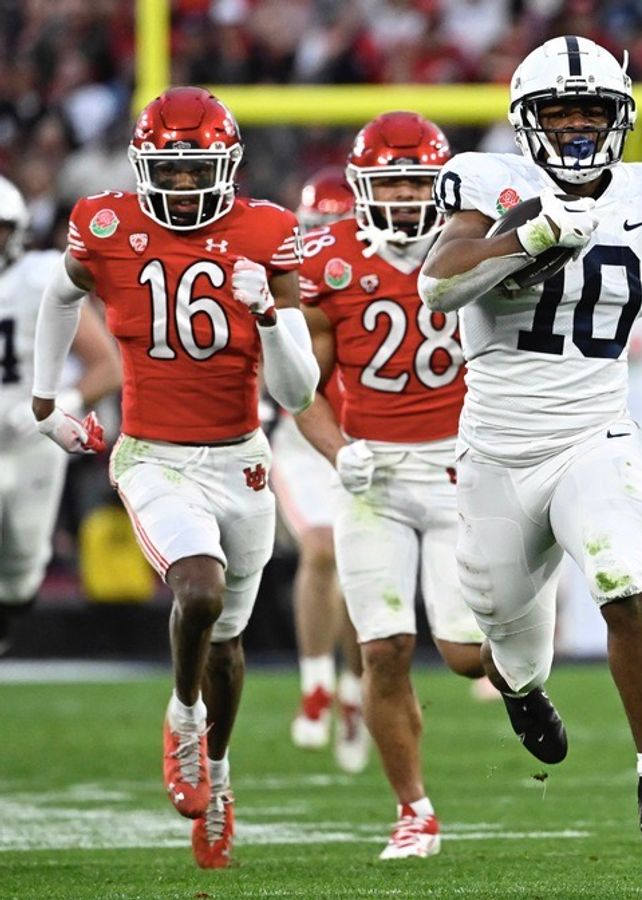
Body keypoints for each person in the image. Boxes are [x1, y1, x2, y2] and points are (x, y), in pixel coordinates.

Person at [418, 35, 642, 858]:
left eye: (590, 110)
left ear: (619, 119)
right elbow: (438, 282)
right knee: (501, 631)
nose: (574, 125)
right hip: (495, 451)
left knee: (618, 577)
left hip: (594, 434)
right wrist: (521, 240)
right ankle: (524, 690)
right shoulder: (491, 182)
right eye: (557, 111)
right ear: (527, 122)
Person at [30, 87, 319, 866]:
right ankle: (182, 716)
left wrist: (268, 317)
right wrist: (43, 398)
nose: (184, 184)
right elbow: (59, 295)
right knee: (198, 589)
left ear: (225, 168)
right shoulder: (106, 222)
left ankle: (218, 778)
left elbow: (297, 392)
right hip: (154, 454)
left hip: (242, 458)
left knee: (227, 640)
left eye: (197, 170)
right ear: (143, 165)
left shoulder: (268, 231)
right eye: (171, 169)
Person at [292, 112, 482, 859]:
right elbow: (302, 390)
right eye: (389, 181)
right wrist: (338, 451)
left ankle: (526, 659)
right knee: (385, 649)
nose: (403, 196)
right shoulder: (327, 259)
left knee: (466, 655)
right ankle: (414, 811)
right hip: (374, 474)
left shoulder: (475, 242)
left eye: (415, 181)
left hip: (463, 468)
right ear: (361, 187)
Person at [0, 173, 120, 655]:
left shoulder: (40, 277)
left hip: (30, 442)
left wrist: (52, 409)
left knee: (23, 566)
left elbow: (107, 367)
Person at [279, 165, 367, 773]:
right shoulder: (287, 277)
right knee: (319, 548)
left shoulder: (380, 274)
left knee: (364, 567)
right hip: (301, 433)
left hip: (367, 435)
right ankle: (315, 682)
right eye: (316, 229)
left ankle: (356, 691)